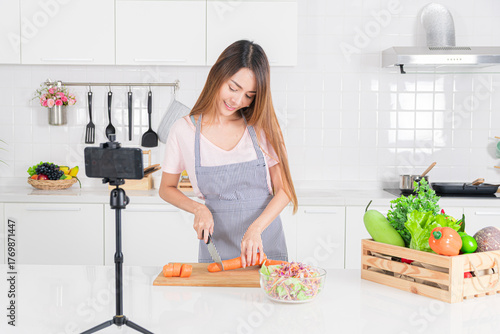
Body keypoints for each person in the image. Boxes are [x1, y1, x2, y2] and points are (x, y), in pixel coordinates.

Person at [159, 40, 298, 267]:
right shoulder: (183, 131)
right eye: (233, 88)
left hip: (265, 243)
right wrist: (198, 208)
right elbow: (166, 188)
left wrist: (255, 229)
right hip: (218, 247)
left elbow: (285, 190)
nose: (237, 101)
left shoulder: (261, 126)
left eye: (249, 95)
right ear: (217, 74)